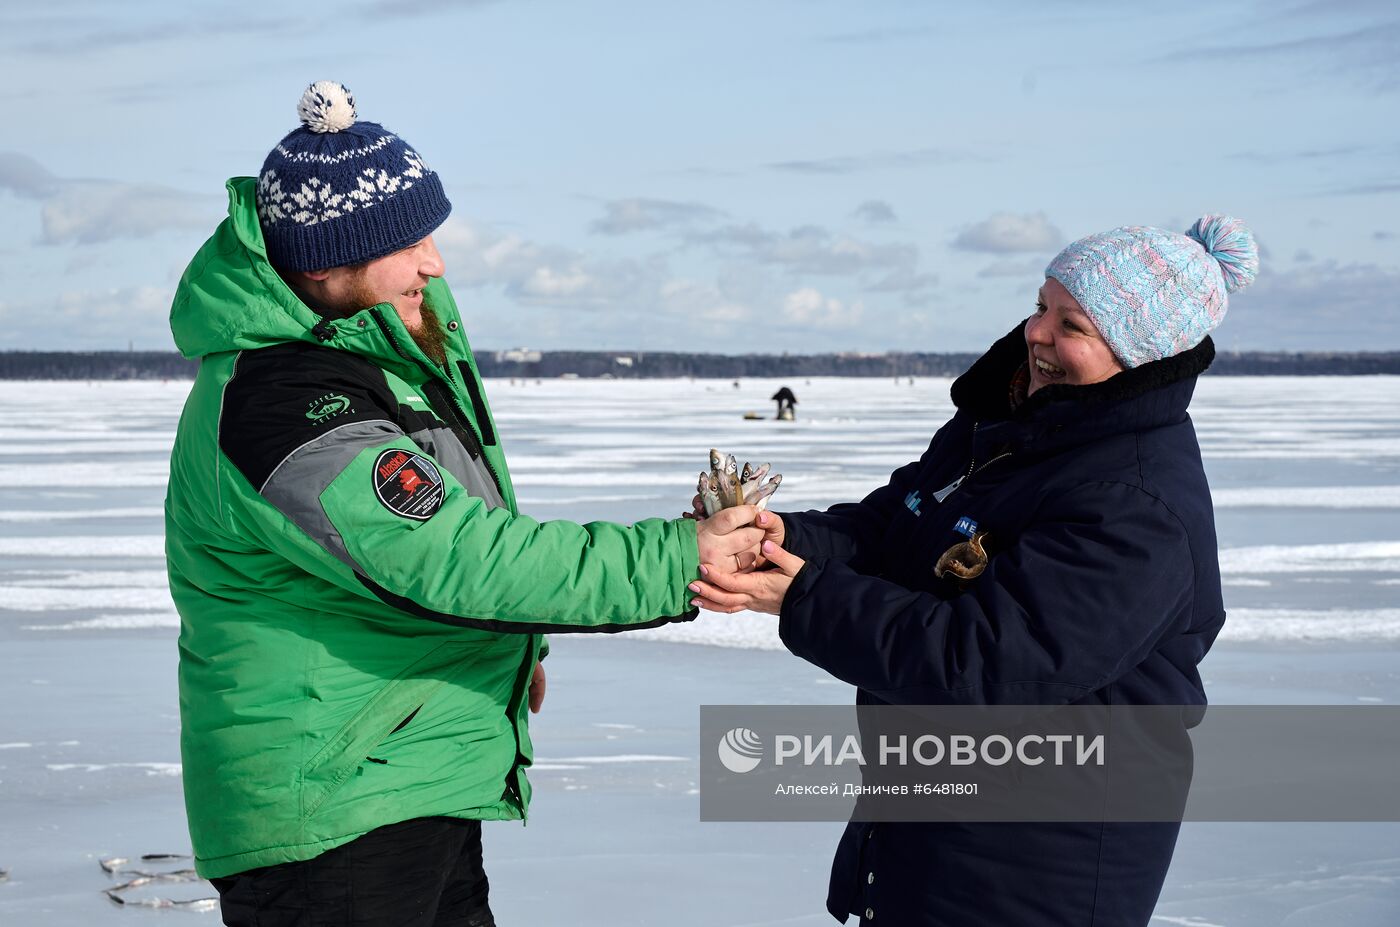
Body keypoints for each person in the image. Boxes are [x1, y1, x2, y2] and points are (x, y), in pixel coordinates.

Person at [165, 81, 764, 926]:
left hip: (399, 777)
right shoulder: (283, 402)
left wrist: (511, 650)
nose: (435, 262)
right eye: (406, 242)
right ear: (326, 263)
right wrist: (679, 557)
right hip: (333, 814)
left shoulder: (379, 357)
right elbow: (453, 555)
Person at [689, 216, 1259, 925]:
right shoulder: (1013, 425)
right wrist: (780, 537)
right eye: (1040, 306)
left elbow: (984, 664)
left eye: (1071, 324)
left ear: (1137, 355)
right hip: (932, 829)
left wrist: (802, 593)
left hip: (1037, 864)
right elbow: (894, 526)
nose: (1037, 333)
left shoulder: (1134, 504)